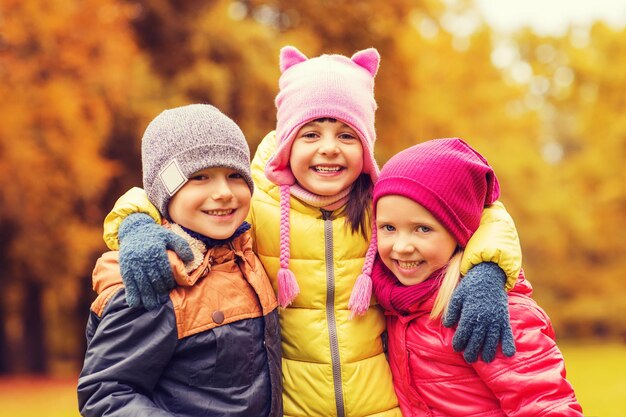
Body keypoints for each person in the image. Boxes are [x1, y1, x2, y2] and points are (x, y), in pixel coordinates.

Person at [101, 47, 522, 417]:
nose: (328, 148)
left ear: (366, 145)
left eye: (346, 134)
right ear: (287, 143)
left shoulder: (385, 202)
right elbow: (158, 191)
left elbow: (481, 209)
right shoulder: (249, 198)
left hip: (380, 406)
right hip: (296, 407)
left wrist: (487, 269)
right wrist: (137, 225)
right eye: (310, 134)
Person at [77, 104, 282, 417]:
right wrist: (137, 226)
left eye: (234, 175)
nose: (224, 192)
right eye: (200, 177)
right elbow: (106, 393)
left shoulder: (247, 254)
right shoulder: (152, 275)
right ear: (166, 193)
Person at [371, 138, 583, 416]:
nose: (401, 246)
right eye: (388, 227)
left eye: (422, 229)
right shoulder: (395, 300)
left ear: (459, 231)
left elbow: (545, 404)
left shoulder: (488, 310)